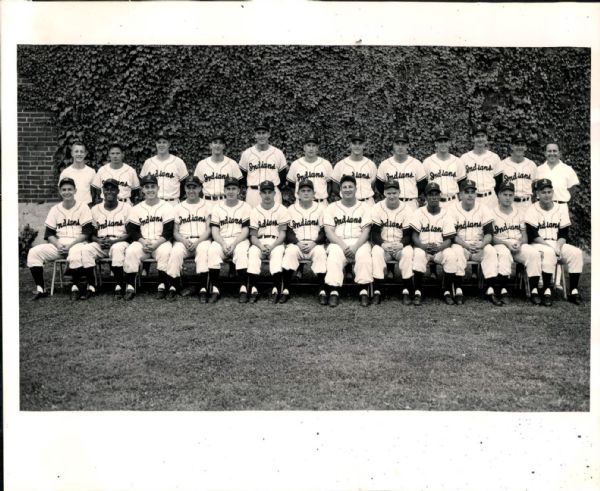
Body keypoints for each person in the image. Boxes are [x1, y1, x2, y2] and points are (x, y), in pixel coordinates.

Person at [27, 178, 94, 300]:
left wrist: (71, 245)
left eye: (69, 189)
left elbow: (87, 233)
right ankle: (41, 289)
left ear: (75, 190)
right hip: (60, 245)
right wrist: (58, 245)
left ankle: (76, 287)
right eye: (64, 189)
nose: (67, 192)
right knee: (34, 252)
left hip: (78, 243)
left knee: (74, 254)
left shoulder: (83, 207)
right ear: (59, 191)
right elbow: (49, 233)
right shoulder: (55, 209)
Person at [524, 178, 583, 305]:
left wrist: (558, 245)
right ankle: (546, 290)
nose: (546, 195)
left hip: (557, 243)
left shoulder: (561, 208)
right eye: (543, 192)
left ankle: (573, 290)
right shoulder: (532, 209)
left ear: (553, 192)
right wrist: (550, 247)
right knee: (549, 253)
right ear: (537, 194)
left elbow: (563, 233)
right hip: (538, 244)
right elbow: (533, 234)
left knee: (576, 253)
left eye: (549, 192)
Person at [322, 175, 373, 307]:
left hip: (358, 241)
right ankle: (334, 291)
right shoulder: (332, 207)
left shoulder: (365, 207)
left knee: (364, 256)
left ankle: (363, 290)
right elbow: (329, 231)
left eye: (351, 187)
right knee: (334, 256)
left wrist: (355, 247)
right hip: (338, 242)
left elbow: (366, 231)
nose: (348, 189)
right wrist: (343, 246)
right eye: (344, 187)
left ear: (356, 189)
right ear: (340, 190)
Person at [122, 175, 175, 300]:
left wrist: (156, 244)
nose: (150, 190)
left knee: (165, 252)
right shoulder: (137, 208)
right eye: (147, 187)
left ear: (158, 188)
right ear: (142, 190)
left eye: (153, 186)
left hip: (161, 241)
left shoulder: (167, 206)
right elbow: (132, 230)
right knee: (130, 251)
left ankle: (162, 285)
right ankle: (130, 286)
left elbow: (168, 231)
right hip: (143, 242)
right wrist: (142, 241)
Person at [491, 181, 543, 305]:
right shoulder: (492, 212)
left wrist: (520, 243)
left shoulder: (520, 212)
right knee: (504, 254)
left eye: (510, 195)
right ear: (499, 195)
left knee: (534, 253)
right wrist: (506, 244)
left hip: (517, 243)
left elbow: (524, 235)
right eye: (505, 194)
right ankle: (503, 290)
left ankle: (534, 290)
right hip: (501, 244)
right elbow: (491, 237)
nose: (508, 198)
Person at [448, 179, 499, 305]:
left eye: (472, 192)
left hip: (478, 244)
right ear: (460, 194)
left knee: (491, 251)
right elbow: (452, 235)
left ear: (476, 194)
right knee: (456, 251)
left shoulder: (483, 209)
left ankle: (490, 289)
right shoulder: (452, 209)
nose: (470, 195)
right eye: (467, 192)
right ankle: (459, 289)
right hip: (461, 244)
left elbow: (489, 234)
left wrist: (482, 244)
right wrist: (465, 245)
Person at [409, 182, 459, 306]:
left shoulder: (446, 213)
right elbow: (414, 235)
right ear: (425, 197)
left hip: (440, 248)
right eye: (430, 194)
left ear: (440, 196)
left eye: (436, 194)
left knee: (451, 255)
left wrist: (439, 248)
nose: (433, 197)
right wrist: (422, 246)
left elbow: (449, 239)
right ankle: (417, 292)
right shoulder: (418, 212)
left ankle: (447, 291)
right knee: (419, 255)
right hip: (423, 247)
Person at [165, 176, 213, 301]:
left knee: (203, 251)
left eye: (194, 187)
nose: (191, 190)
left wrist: (197, 242)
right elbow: (175, 232)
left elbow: (209, 230)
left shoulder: (207, 205)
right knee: (175, 252)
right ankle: (173, 287)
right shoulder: (178, 207)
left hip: (202, 240)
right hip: (183, 240)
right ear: (185, 189)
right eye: (188, 187)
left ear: (200, 188)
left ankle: (203, 288)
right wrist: (184, 241)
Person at [281, 179, 327, 303]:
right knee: (290, 252)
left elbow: (324, 232)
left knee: (321, 253)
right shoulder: (291, 209)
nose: (306, 193)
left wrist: (315, 243)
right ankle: (285, 289)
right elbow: (288, 232)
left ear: (314, 193)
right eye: (303, 191)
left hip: (314, 244)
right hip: (297, 244)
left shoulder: (321, 208)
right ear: (298, 194)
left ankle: (322, 289)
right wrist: (297, 243)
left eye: (308, 190)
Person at [84, 178, 132, 298]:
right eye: (106, 189)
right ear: (102, 191)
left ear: (118, 191)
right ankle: (91, 285)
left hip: (120, 241)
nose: (109, 192)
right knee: (86, 250)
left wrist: (115, 241)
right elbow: (91, 233)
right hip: (101, 242)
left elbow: (131, 233)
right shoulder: (95, 209)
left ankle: (119, 285)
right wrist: (98, 240)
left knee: (117, 249)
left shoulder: (127, 208)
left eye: (112, 189)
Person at [207, 177, 252, 303]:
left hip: (240, 240)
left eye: (233, 188)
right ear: (224, 190)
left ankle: (243, 288)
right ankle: (215, 289)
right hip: (222, 239)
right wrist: (222, 243)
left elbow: (245, 230)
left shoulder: (246, 207)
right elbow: (215, 231)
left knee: (241, 252)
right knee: (213, 251)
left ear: (238, 190)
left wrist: (234, 243)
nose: (231, 191)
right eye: (228, 189)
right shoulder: (217, 207)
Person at [370, 180, 414, 305]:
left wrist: (402, 244)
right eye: (389, 193)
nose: (392, 196)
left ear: (399, 192)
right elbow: (375, 233)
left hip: (400, 244)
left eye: (394, 193)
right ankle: (377, 290)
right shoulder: (377, 208)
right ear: (384, 193)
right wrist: (382, 244)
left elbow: (408, 234)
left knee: (408, 253)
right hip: (383, 244)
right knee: (376, 252)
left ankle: (406, 290)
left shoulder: (407, 209)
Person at [247, 180, 291, 303]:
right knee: (253, 254)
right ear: (260, 194)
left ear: (274, 193)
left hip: (276, 242)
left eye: (269, 192)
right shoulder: (255, 211)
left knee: (277, 255)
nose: (267, 195)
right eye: (264, 192)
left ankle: (276, 289)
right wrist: (261, 246)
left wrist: (272, 246)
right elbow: (253, 236)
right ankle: (254, 289)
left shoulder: (282, 209)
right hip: (259, 242)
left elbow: (282, 234)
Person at [239, 122, 288, 208]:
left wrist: (274, 187)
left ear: (269, 134)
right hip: (253, 193)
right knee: (253, 219)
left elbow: (283, 176)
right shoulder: (247, 153)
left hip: (273, 193)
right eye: (259, 133)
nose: (261, 136)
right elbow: (242, 176)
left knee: (274, 220)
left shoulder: (278, 153)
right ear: (255, 135)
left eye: (264, 133)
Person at [376, 131, 426, 211]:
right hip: (391, 204)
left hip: (410, 204)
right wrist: (391, 196)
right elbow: (379, 186)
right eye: (397, 144)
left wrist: (411, 194)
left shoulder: (416, 163)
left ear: (408, 146)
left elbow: (422, 185)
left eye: (403, 144)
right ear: (393, 145)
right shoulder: (384, 164)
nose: (400, 147)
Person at [459, 126, 502, 209]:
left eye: (482, 136)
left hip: (490, 199)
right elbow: (461, 183)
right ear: (472, 138)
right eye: (477, 136)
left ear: (486, 138)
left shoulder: (494, 157)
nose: (480, 139)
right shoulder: (464, 158)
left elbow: (499, 182)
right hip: (472, 198)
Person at [140, 131, 188, 203]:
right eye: (159, 142)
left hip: (172, 203)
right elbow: (142, 184)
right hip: (153, 202)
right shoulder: (148, 162)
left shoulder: (178, 162)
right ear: (156, 144)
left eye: (164, 142)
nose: (161, 145)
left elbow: (184, 184)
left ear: (169, 144)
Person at [422, 129, 466, 209]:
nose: (443, 144)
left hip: (453, 202)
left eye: (445, 141)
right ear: (436, 143)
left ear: (449, 143)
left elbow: (462, 185)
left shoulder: (457, 161)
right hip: (434, 202)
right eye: (440, 141)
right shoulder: (427, 162)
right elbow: (423, 186)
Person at [331, 133, 378, 205]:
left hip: (367, 203)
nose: (357, 146)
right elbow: (335, 187)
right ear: (350, 145)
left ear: (364, 145)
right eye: (354, 143)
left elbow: (373, 186)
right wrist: (346, 198)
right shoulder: (340, 165)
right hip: (348, 204)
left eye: (360, 143)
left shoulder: (371, 165)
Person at [193, 134, 243, 202]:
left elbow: (239, 184)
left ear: (224, 146)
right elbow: (196, 186)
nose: (217, 145)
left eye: (220, 143)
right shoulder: (201, 164)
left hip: (226, 201)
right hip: (207, 202)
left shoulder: (232, 164)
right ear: (210, 145)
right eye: (215, 142)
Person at [286, 134, 333, 204]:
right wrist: (299, 196)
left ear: (317, 148)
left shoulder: (326, 164)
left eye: (314, 145)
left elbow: (330, 184)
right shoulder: (295, 164)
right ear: (304, 147)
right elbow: (291, 184)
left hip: (320, 203)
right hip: (301, 204)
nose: (311, 148)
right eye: (308, 145)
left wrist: (323, 196)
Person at [498, 132, 537, 213]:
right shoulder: (502, 164)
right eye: (517, 144)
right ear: (512, 146)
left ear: (526, 147)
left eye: (522, 145)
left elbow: (534, 185)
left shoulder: (532, 165)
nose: (519, 147)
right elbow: (497, 187)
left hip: (527, 204)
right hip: (509, 204)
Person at [534, 142, 580, 207]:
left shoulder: (568, 169)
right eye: (549, 151)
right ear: (545, 153)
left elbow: (572, 190)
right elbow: (535, 190)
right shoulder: (538, 170)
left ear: (559, 153)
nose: (552, 153)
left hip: (561, 207)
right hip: (543, 208)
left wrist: (563, 202)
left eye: (554, 151)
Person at [58, 142, 97, 206]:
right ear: (72, 153)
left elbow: (95, 192)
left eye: (81, 152)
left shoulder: (91, 172)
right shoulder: (66, 172)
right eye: (76, 151)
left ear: (85, 154)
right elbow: (60, 192)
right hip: (71, 206)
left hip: (87, 206)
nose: (79, 154)